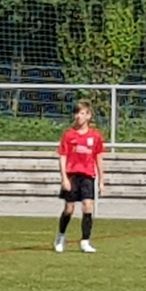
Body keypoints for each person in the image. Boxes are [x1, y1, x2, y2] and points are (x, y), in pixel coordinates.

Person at [55, 100, 107, 254]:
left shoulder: (95, 136)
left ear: (89, 116)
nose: (79, 116)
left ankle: (85, 241)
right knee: (69, 209)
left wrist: (101, 181)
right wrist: (64, 178)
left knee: (88, 206)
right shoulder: (69, 135)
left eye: (82, 113)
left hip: (87, 175)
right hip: (72, 175)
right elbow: (62, 157)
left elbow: (99, 158)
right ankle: (60, 236)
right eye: (77, 113)